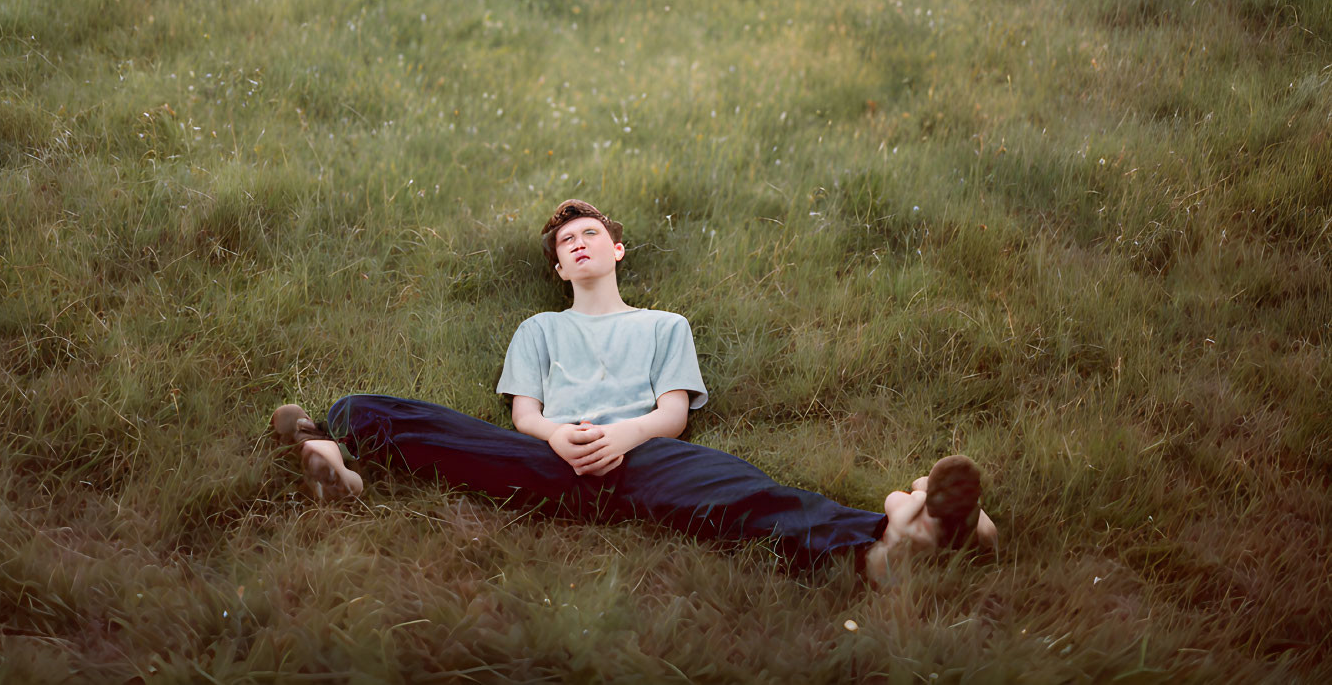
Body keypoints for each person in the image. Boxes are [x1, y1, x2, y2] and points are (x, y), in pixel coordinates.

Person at [272, 199, 996, 585]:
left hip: (648, 455)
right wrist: (560, 438)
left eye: (590, 234)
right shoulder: (538, 329)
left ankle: (892, 545)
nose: (578, 244)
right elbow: (522, 414)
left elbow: (675, 414)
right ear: (558, 270)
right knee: (372, 406)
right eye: (565, 244)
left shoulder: (662, 325)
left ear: (616, 250)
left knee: (745, 495)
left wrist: (624, 438)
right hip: (552, 460)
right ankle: (338, 455)